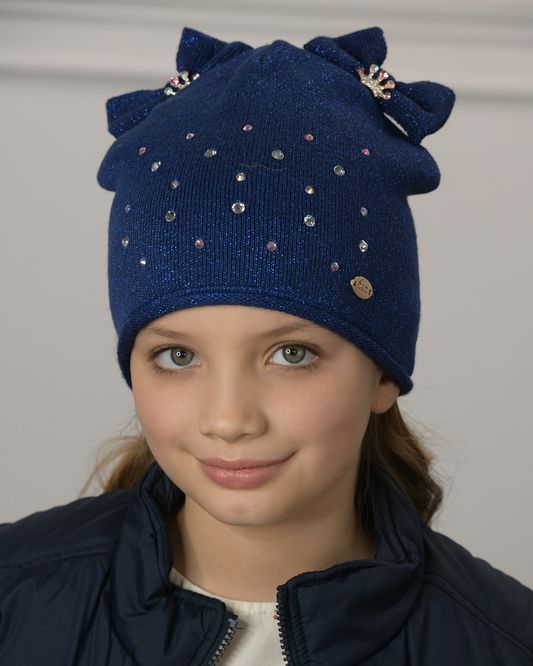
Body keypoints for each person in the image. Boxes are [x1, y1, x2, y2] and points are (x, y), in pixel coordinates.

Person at [0, 23, 532, 666]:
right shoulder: (15, 596)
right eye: (177, 357)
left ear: (384, 373)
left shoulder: (504, 642)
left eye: (291, 355)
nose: (229, 420)